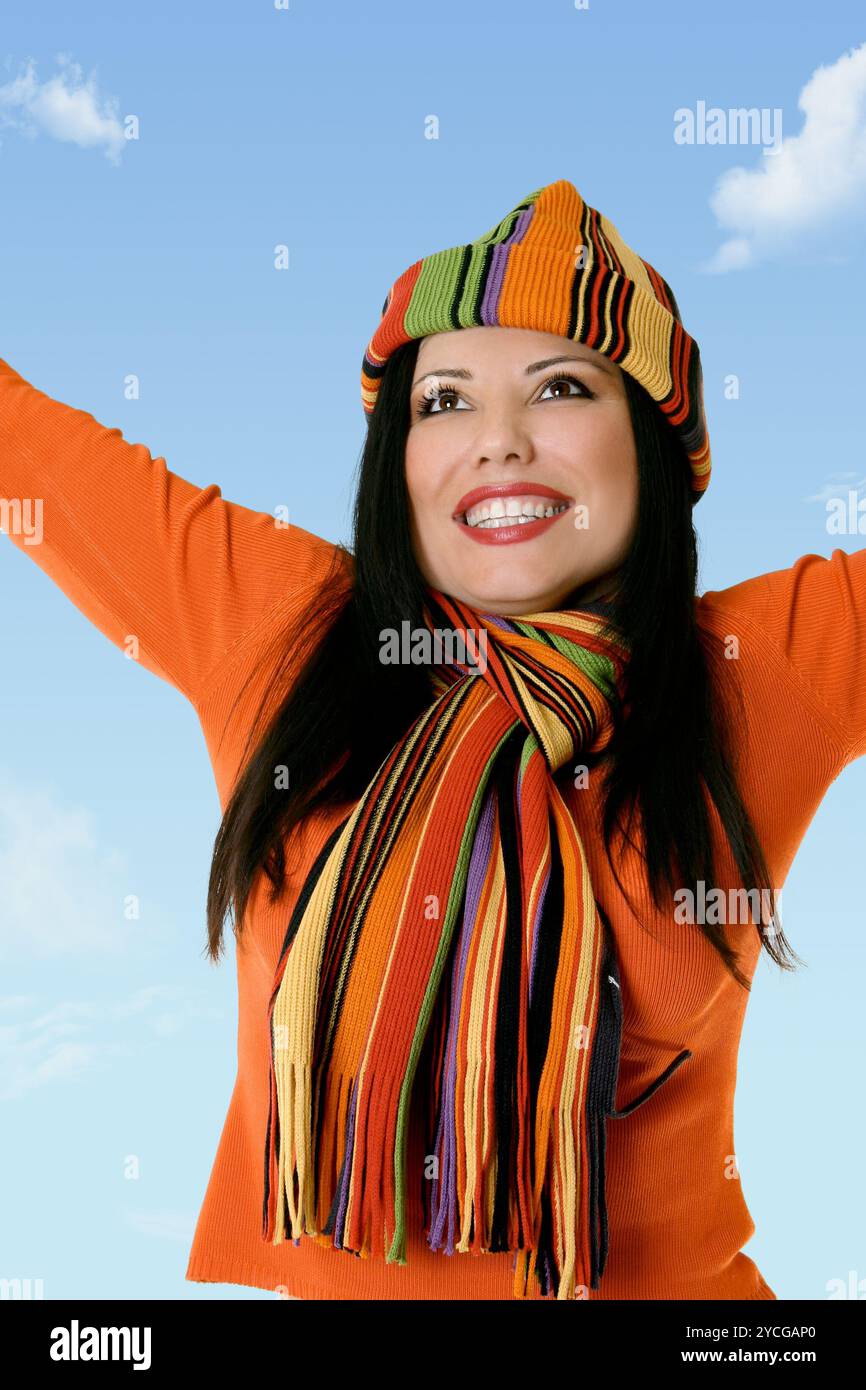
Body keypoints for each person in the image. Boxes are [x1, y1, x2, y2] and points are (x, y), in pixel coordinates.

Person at [2, 178, 864, 1301]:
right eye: (442, 402)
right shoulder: (288, 633)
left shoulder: (757, 670)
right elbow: (30, 452)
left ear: (650, 443)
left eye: (559, 387)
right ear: (397, 460)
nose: (495, 444)